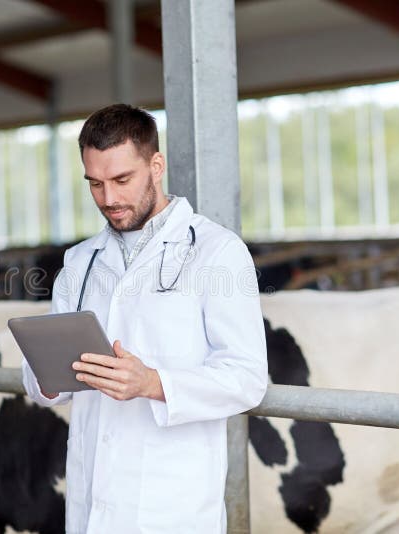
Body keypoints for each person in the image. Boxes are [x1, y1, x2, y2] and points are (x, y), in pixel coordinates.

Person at [22, 104, 268, 533]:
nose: (109, 199)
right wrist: (47, 377)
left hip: (171, 505)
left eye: (121, 180)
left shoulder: (217, 252)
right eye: (95, 184)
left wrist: (152, 383)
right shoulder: (80, 262)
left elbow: (247, 378)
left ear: (156, 166)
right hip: (90, 501)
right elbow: (38, 381)